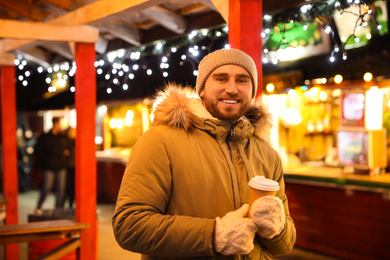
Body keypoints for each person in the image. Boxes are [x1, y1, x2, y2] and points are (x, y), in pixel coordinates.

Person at [112, 48, 296, 259]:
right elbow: (129, 225)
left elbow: (285, 245)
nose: (232, 89)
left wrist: (276, 229)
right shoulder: (159, 141)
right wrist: (213, 236)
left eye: (242, 80)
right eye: (221, 78)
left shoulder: (267, 154)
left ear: (252, 91)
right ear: (201, 89)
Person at [35, 117, 69, 210]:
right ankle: (39, 205)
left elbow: (68, 149)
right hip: (49, 166)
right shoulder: (45, 137)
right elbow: (38, 151)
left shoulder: (62, 137)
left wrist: (65, 157)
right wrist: (45, 162)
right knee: (46, 187)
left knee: (61, 190)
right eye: (58, 124)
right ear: (55, 124)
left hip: (61, 166)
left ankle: (58, 208)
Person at [65, 127, 76, 209]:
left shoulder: (77, 141)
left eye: (72, 132)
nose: (71, 133)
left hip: (75, 167)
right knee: (67, 187)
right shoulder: (65, 141)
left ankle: (71, 205)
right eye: (69, 132)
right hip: (67, 167)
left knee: (73, 187)